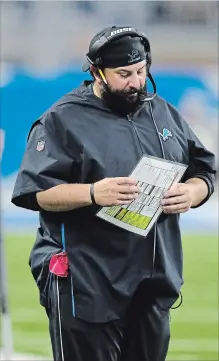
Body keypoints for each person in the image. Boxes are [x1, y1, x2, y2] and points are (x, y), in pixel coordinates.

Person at [12, 26, 216, 361]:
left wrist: (193, 193)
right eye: (123, 74)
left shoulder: (161, 111)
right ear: (96, 71)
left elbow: (204, 170)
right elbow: (35, 192)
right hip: (86, 281)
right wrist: (93, 192)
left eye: (141, 71)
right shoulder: (61, 119)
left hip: (151, 284)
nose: (135, 82)